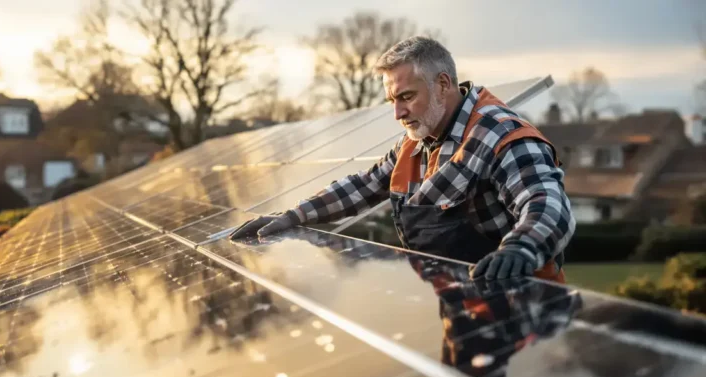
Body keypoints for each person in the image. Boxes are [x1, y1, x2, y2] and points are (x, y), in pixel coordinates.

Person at [230, 36, 576, 282]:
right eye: (392, 100)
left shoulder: (501, 134)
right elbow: (363, 187)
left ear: (443, 84)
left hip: (524, 303)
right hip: (461, 300)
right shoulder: (416, 142)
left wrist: (521, 247)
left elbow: (547, 203)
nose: (397, 113)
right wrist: (295, 216)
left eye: (407, 97)